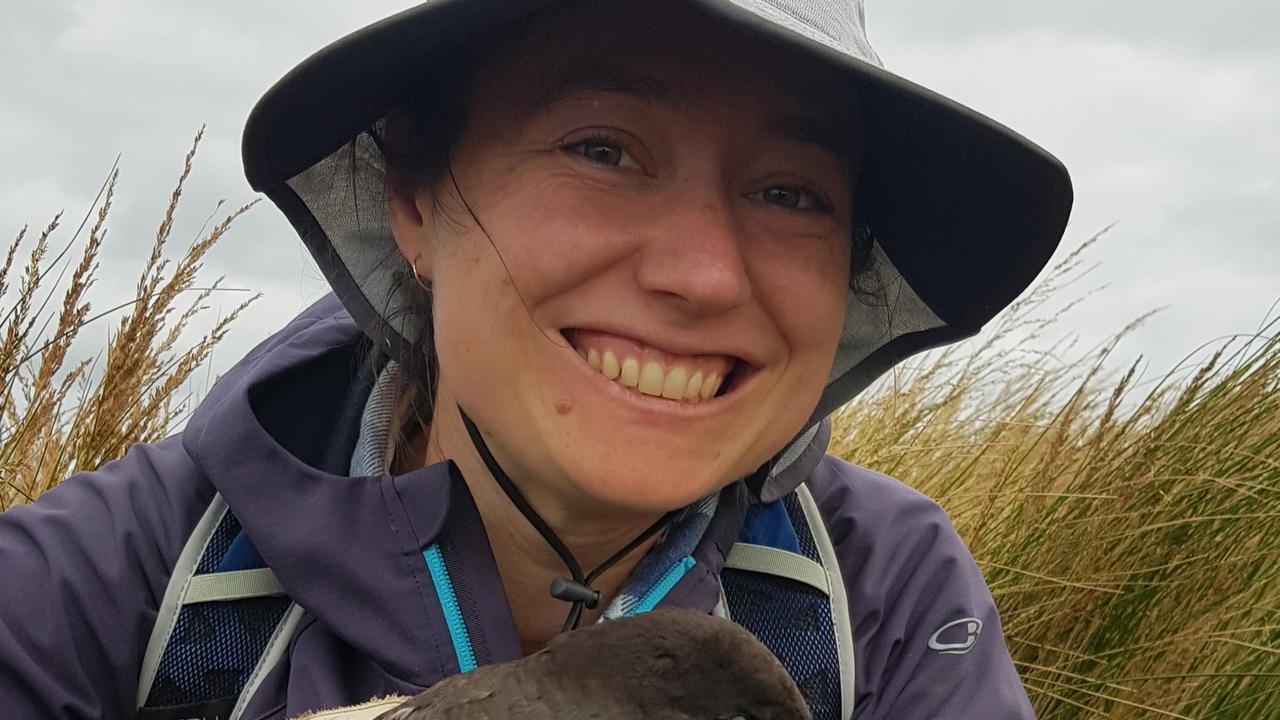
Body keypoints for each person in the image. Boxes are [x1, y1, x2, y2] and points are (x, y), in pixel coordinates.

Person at [0, 1, 1072, 719]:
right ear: (410, 199)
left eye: (789, 192)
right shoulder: (105, 592)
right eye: (600, 149)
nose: (702, 274)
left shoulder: (880, 600)